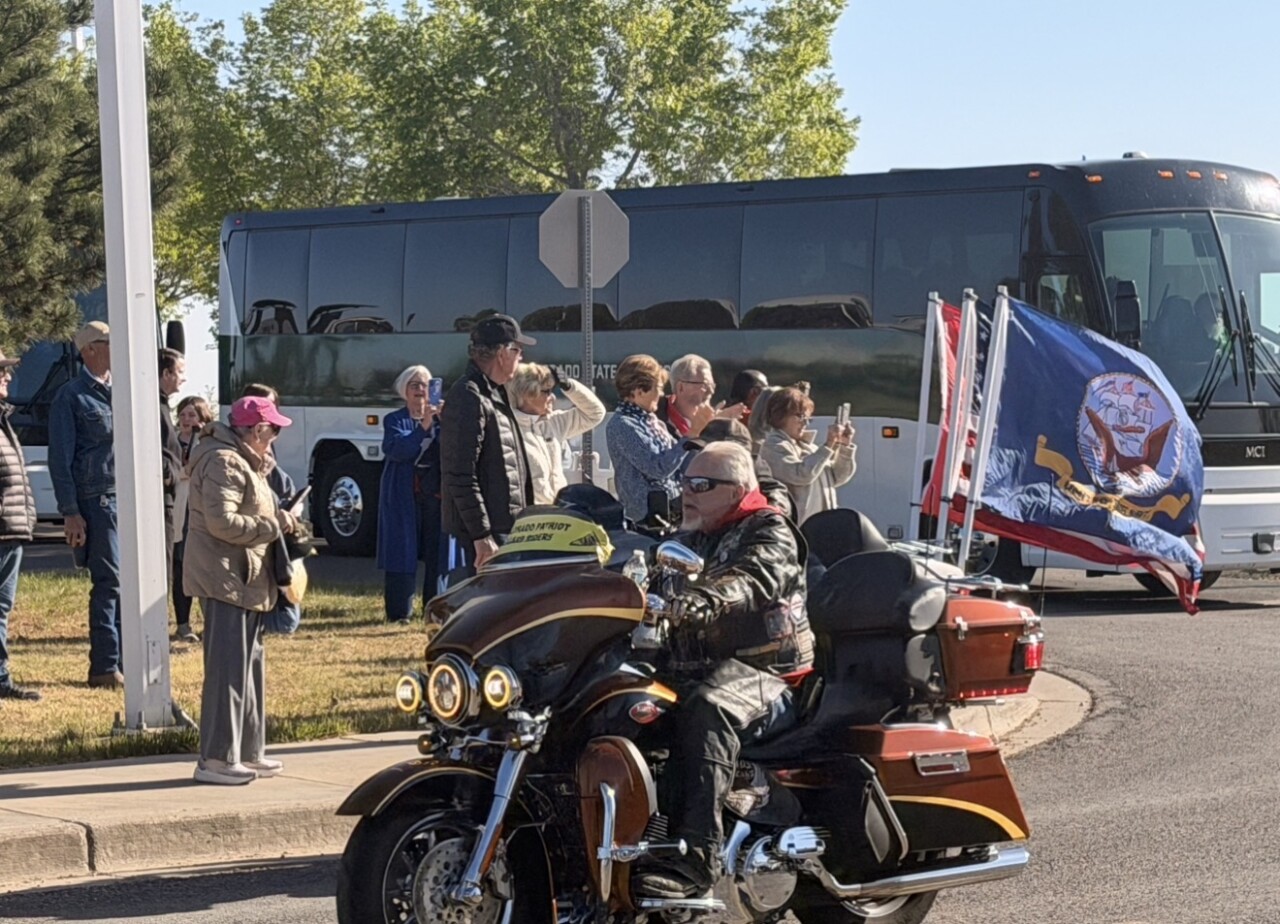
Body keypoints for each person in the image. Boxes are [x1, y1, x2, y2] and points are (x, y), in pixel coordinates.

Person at [633, 442, 811, 899]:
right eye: (684, 483)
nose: (686, 494)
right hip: (692, 668)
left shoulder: (769, 530)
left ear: (737, 490)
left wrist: (707, 598)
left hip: (765, 673)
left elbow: (753, 578)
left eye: (700, 485)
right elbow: (646, 576)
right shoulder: (692, 533)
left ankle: (694, 862)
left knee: (706, 708)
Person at [185, 395, 296, 785]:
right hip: (225, 578)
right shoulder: (223, 461)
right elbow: (223, 522)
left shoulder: (242, 461)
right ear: (256, 430)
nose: (274, 439)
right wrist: (274, 524)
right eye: (272, 431)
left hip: (244, 578)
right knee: (227, 671)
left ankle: (247, 751)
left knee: (248, 669)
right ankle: (216, 758)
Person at [48, 321, 123, 689]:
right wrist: (70, 512)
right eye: (108, 342)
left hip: (126, 498)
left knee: (129, 582)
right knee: (109, 581)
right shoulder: (71, 396)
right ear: (88, 350)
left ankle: (128, 658)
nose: (115, 347)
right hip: (97, 500)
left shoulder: (121, 391)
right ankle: (105, 667)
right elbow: (60, 460)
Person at [440, 314, 536, 572]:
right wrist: (481, 535)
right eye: (518, 349)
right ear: (502, 353)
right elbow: (460, 474)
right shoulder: (469, 396)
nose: (521, 357)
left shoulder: (494, 393)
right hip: (485, 537)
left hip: (504, 528)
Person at [606, 354, 710, 525]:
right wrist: (689, 437)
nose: (662, 395)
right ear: (639, 391)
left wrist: (702, 436)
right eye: (658, 388)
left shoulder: (654, 422)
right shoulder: (622, 425)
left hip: (672, 510)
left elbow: (679, 465)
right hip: (646, 520)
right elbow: (657, 468)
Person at [377, 365, 443, 623]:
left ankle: (435, 609)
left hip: (433, 495)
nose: (419, 390)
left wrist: (443, 420)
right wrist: (422, 427)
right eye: (414, 385)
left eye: (425, 384)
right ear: (404, 390)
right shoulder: (394, 420)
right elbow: (397, 450)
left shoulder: (440, 418)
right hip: (402, 495)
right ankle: (399, 612)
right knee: (401, 551)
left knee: (436, 553)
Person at [241, 383, 303, 635]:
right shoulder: (233, 456)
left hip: (278, 537)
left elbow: (282, 486)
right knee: (285, 622)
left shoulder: (268, 447)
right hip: (256, 544)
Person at [0, 349, 40, 701]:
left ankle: (0, 678)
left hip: (10, 529)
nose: (8, 377)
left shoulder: (3, 419)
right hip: (2, 528)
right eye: (2, 372)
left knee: (1, 606)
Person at [508, 362, 605, 505]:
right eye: (546, 391)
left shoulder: (553, 422)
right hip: (529, 516)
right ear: (528, 394)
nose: (552, 397)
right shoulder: (507, 427)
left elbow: (595, 413)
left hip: (558, 512)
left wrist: (569, 386)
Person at [758, 386, 856, 524]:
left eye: (807, 417)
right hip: (798, 530)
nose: (805, 422)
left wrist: (845, 446)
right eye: (799, 416)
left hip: (821, 527)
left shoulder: (809, 447)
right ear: (779, 415)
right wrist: (828, 444)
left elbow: (837, 477)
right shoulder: (772, 446)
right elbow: (801, 475)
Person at [683, 418, 793, 520]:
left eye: (713, 452)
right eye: (702, 450)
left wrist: (765, 517)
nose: (704, 456)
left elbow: (774, 491)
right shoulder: (698, 467)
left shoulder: (751, 466)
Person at [172, 396, 213, 643]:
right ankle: (183, 624)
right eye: (183, 415)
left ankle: (211, 622)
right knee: (181, 568)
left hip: (202, 510)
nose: (187, 420)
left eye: (192, 415)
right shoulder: (172, 441)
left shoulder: (207, 443)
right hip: (179, 509)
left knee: (205, 568)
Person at [656, 354, 744, 437]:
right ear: (681, 387)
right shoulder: (656, 423)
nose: (711, 391)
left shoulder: (715, 420)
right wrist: (700, 430)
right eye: (704, 385)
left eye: (712, 385)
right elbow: (675, 452)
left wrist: (719, 425)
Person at [158, 349, 185, 589]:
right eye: (179, 372)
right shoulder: (154, 406)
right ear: (166, 373)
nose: (183, 379)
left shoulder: (162, 405)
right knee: (162, 564)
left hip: (167, 494)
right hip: (160, 498)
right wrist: (170, 475)